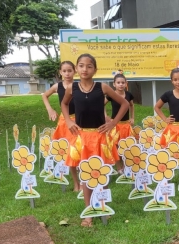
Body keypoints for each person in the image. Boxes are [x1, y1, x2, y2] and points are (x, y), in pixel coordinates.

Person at [61, 53, 129, 227]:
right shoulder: (72, 88)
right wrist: (68, 120)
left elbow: (124, 104)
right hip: (82, 138)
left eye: (89, 66)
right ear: (77, 68)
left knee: (102, 173)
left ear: (95, 69)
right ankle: (89, 213)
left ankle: (103, 207)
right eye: (81, 65)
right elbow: (64, 104)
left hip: (100, 138)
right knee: (86, 176)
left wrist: (113, 123)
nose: (85, 69)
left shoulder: (103, 87)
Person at [41, 61, 80, 192]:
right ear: (60, 72)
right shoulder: (58, 86)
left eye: (70, 70)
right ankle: (76, 184)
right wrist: (50, 110)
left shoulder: (79, 85)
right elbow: (44, 95)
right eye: (64, 71)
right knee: (70, 152)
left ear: (74, 71)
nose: (67, 73)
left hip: (79, 121)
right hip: (65, 122)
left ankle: (84, 182)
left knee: (79, 151)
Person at [104, 74, 134, 173]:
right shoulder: (111, 95)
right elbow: (101, 105)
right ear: (114, 84)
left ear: (126, 84)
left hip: (126, 125)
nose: (121, 85)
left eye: (123, 83)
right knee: (115, 146)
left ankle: (126, 166)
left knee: (126, 146)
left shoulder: (129, 95)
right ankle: (119, 167)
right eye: (118, 83)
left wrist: (132, 117)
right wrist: (106, 117)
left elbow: (131, 106)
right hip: (115, 125)